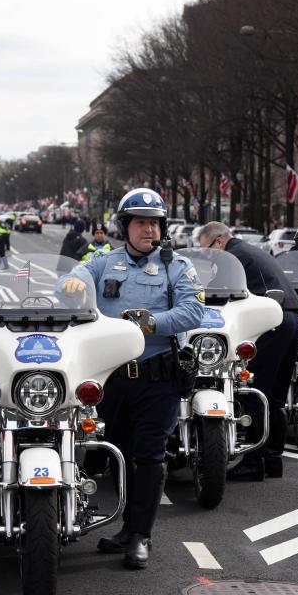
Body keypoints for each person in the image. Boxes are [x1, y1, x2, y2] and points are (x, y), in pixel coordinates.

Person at [60, 188, 204, 570]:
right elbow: (74, 276)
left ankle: (141, 535)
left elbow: (193, 312)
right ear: (125, 226)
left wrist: (152, 321)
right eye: (140, 222)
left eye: (154, 222)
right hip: (111, 378)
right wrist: (72, 282)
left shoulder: (178, 265)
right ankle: (125, 527)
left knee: (148, 456)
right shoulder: (104, 262)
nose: (148, 230)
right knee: (116, 455)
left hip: (157, 378)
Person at [197, 221, 298, 481]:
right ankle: (272, 460)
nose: (208, 256)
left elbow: (215, 294)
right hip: (291, 318)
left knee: (254, 392)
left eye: (207, 250)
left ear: (219, 241)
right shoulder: (249, 251)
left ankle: (254, 462)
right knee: (275, 397)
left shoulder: (232, 257)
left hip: (270, 323)